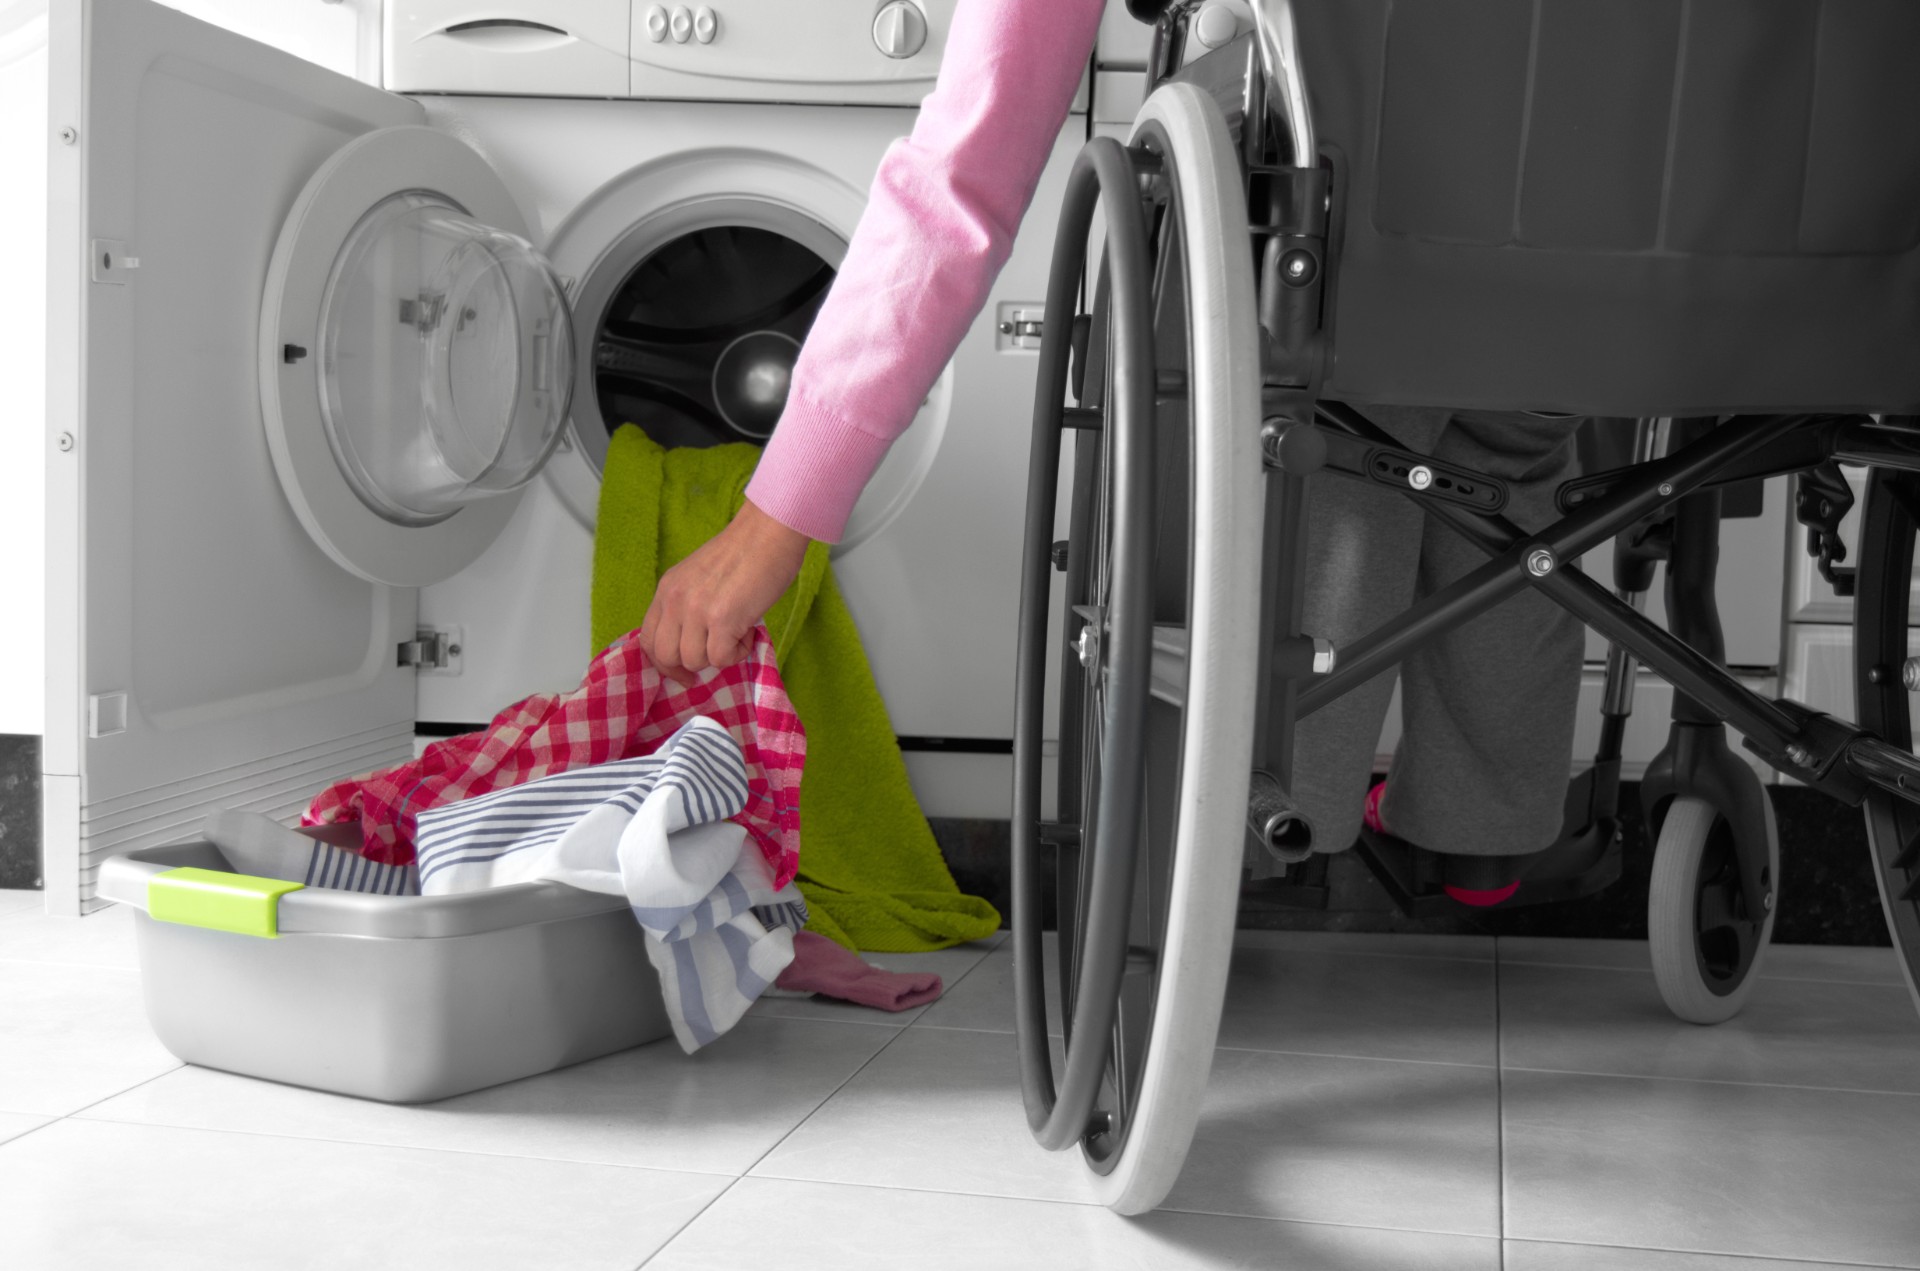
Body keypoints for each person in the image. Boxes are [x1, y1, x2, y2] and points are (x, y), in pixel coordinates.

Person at [637, 0, 1583, 892]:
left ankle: (1275, 827)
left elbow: (960, 185)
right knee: (1509, 451)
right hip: (1626, 295)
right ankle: (1486, 835)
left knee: (1339, 439)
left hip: (1347, 284)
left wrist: (777, 519)